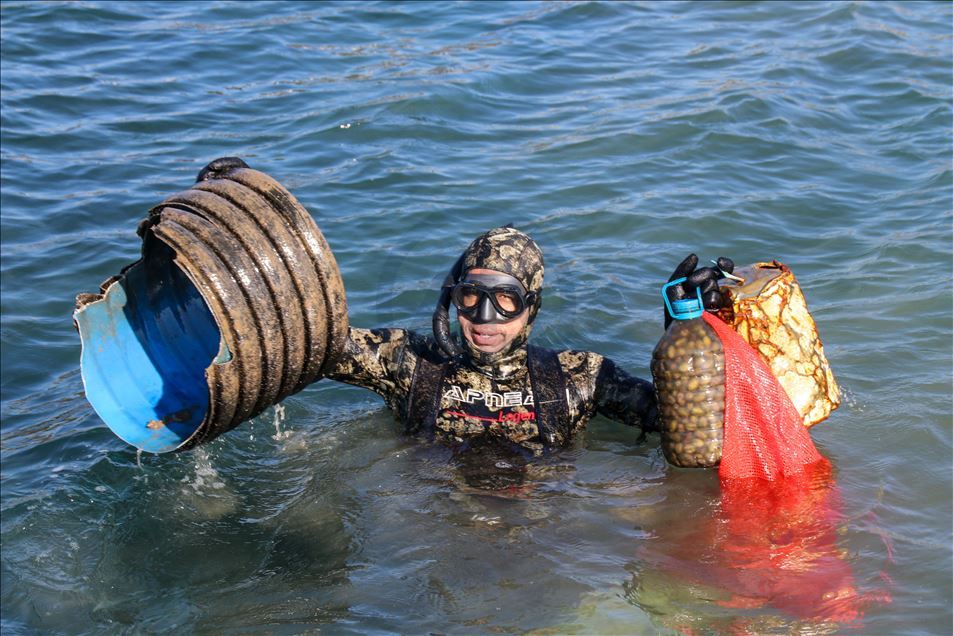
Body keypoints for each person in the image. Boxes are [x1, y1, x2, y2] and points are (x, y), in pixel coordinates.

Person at [328, 225, 730, 457]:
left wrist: (691, 328)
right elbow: (314, 346)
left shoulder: (580, 377)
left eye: (505, 300)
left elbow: (693, 428)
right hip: (430, 531)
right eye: (471, 297)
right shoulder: (409, 362)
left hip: (542, 532)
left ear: (530, 307)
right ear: (452, 298)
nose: (484, 319)